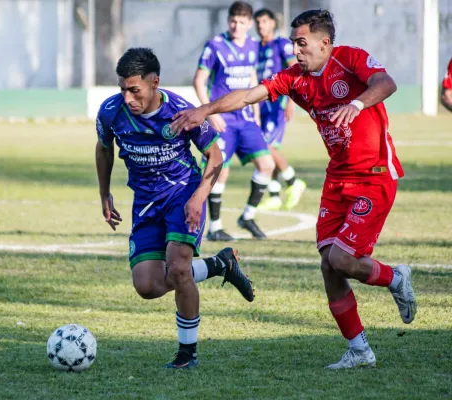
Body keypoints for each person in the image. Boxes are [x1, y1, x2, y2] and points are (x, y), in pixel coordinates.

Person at [171, 9, 417, 369]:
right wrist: (206, 109)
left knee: (342, 260)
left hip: (375, 174)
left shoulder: (349, 58)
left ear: (324, 43)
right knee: (329, 267)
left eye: (302, 43)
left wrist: (356, 102)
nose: (296, 50)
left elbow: (386, 83)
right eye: (293, 43)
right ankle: (360, 350)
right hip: (338, 178)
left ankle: (396, 277)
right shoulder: (296, 78)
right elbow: (248, 96)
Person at [95, 47, 255, 369]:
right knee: (147, 285)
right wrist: (104, 194)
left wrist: (198, 197)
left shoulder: (181, 111)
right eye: (123, 89)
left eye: (135, 90)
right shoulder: (111, 112)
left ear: (155, 82)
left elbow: (216, 156)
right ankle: (219, 265)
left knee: (179, 268)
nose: (128, 98)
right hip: (145, 203)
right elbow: (103, 148)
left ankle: (187, 355)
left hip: (183, 196)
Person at [193, 1, 275, 241]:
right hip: (223, 120)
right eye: (232, 21)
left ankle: (247, 216)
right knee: (220, 171)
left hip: (246, 118)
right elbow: (199, 81)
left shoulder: (252, 45)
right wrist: (211, 113)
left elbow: (252, 76)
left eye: (241, 22)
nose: (236, 26)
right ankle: (215, 227)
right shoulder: (215, 46)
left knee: (267, 165)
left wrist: (257, 113)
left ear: (249, 24)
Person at [253, 8, 307, 211]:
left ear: (273, 23)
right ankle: (274, 194)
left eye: (265, 21)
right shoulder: (256, 47)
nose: (261, 26)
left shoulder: (282, 45)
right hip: (261, 105)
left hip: (278, 104)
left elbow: (296, 71)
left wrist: (292, 101)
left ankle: (293, 181)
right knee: (267, 149)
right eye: (258, 22)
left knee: (265, 146)